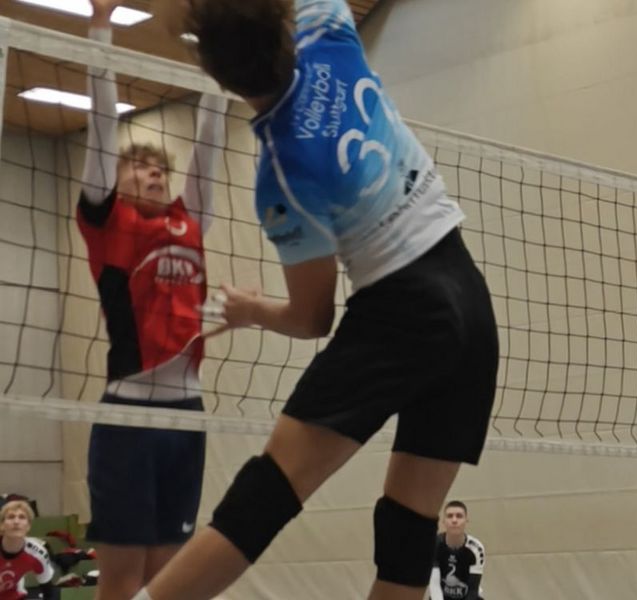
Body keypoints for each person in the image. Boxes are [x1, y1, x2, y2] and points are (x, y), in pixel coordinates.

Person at [138, 0, 500, 598]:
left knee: (266, 494)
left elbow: (311, 318)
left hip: (401, 312)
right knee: (408, 526)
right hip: (471, 305)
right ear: (285, 23)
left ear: (217, 77)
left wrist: (250, 310)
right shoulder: (329, 31)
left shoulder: (281, 173)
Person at [79, 1, 227, 598]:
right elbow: (101, 126)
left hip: (186, 416)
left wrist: (218, 56)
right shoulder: (108, 223)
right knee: (121, 582)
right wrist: (100, 26)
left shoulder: (190, 222)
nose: (152, 171)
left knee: (168, 582)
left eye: (158, 166)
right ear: (116, 181)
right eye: (137, 165)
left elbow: (211, 138)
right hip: (128, 416)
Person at [0, 500, 57, 600]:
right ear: (2, 525)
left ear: (28, 526)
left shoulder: (37, 553)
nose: (16, 522)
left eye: (22, 517)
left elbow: (49, 592)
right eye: (11, 517)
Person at [428, 501, 484, 600]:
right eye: (450, 516)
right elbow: (434, 586)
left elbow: (472, 590)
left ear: (466, 520)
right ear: (443, 521)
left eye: (459, 516)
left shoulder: (476, 548)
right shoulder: (433, 545)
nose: (454, 520)